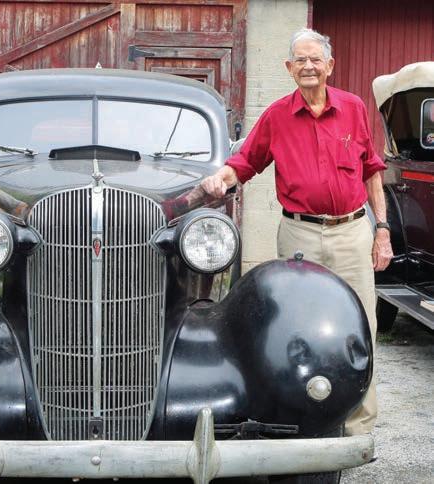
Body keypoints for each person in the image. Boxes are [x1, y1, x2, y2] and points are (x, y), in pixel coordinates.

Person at [200, 28, 393, 436]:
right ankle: (302, 420)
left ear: (329, 66)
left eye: (315, 59)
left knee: (362, 326)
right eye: (300, 60)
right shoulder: (276, 116)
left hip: (351, 232)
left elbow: (373, 171)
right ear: (289, 68)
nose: (308, 66)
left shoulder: (353, 108)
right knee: (297, 326)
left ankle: (357, 430)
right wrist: (221, 177)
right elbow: (245, 162)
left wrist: (382, 230)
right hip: (299, 235)